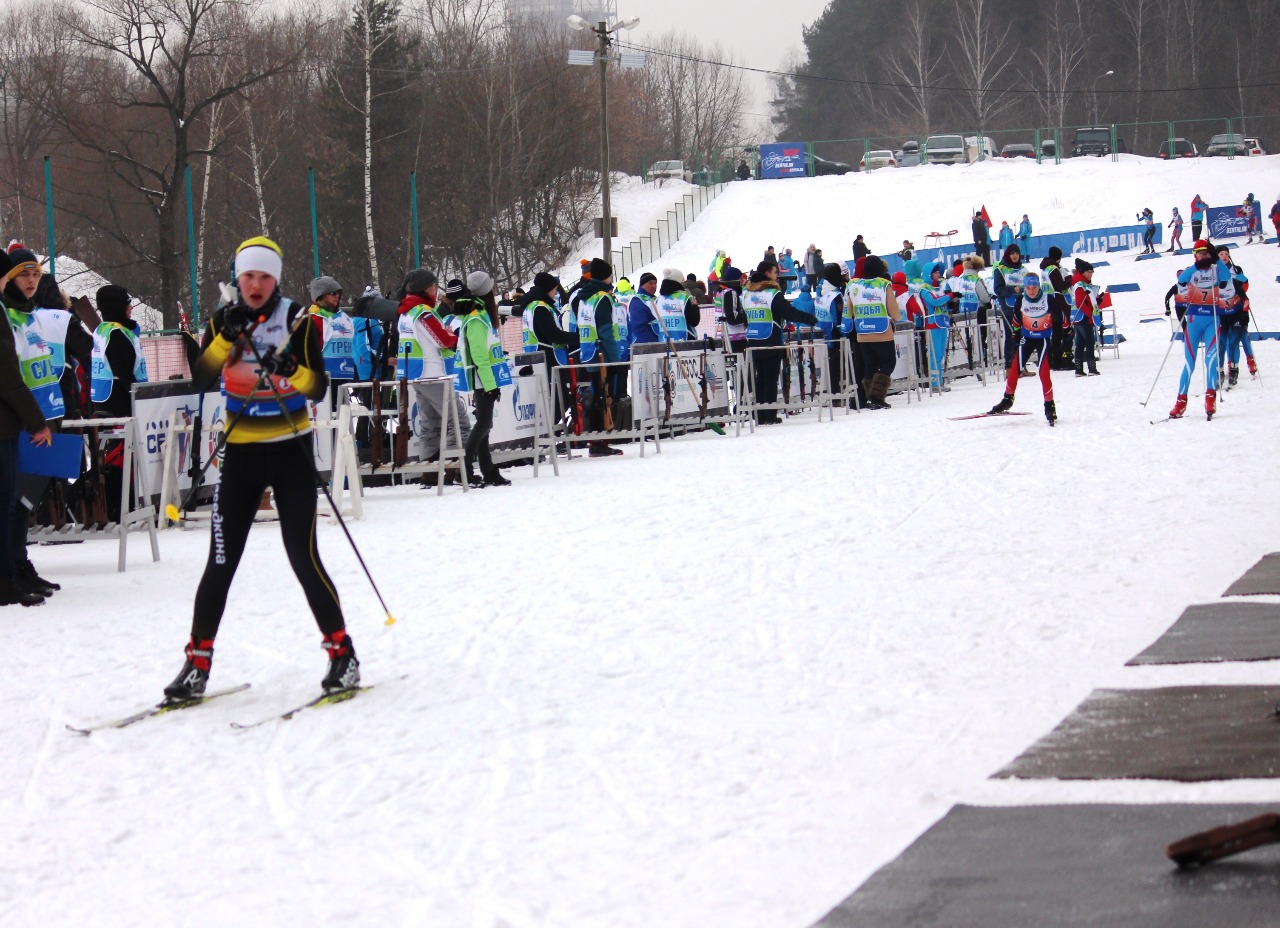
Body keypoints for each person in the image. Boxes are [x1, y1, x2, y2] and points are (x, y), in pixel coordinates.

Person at [165, 236, 356, 700]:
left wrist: (291, 368)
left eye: (264, 276)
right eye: (248, 275)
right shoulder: (222, 318)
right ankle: (197, 664)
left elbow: (316, 388)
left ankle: (342, 655)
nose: (255, 285)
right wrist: (226, 336)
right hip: (242, 458)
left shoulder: (299, 319)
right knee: (221, 562)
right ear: (237, 277)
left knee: (302, 556)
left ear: (276, 279)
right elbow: (204, 376)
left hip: (290, 452)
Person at [0, 249, 53, 606]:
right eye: (20, 275)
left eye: (36, 274)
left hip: (31, 415)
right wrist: (35, 420)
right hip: (15, 422)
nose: (30, 281)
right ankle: (9, 577)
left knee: (20, 501)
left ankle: (16, 568)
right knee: (10, 503)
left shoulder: (36, 316)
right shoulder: (8, 315)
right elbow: (9, 378)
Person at [397, 268, 473, 469]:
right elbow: (441, 339)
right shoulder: (422, 311)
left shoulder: (405, 312)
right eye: (433, 286)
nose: (435, 290)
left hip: (416, 374)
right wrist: (455, 337)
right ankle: (456, 469)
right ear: (426, 288)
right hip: (432, 374)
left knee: (430, 424)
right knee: (458, 422)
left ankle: (430, 471)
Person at [455, 271, 515, 482]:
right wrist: (491, 384)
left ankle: (487, 470)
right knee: (483, 424)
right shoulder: (478, 317)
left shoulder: (476, 314)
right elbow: (479, 354)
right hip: (483, 378)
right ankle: (465, 470)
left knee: (483, 424)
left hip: (484, 377)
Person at [742, 260, 817, 423]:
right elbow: (789, 312)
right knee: (770, 379)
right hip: (771, 340)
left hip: (754, 339)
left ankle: (760, 413)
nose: (778, 276)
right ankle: (769, 414)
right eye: (776, 272)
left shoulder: (747, 294)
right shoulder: (771, 294)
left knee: (760, 378)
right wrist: (809, 318)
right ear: (768, 274)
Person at [1167, 240, 1233, 419]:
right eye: (1200, 253)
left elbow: (1227, 277)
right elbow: (1181, 279)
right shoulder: (1192, 270)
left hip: (1212, 320)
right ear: (1195, 254)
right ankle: (1180, 403)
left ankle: (1210, 399)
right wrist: (1197, 264)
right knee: (1190, 363)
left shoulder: (1217, 269)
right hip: (1194, 321)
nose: (1203, 256)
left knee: (1211, 361)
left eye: (1206, 253)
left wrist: (1216, 259)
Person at [988, 271, 1057, 424]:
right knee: (1014, 371)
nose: (1031, 291)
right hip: (1027, 338)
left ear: (1038, 286)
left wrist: (1064, 331)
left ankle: (1049, 405)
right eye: (1028, 288)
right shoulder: (1021, 299)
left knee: (1044, 373)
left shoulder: (1047, 299)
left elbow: (1059, 317)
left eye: (1034, 287)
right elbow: (1016, 318)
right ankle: (1007, 399)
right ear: (1024, 288)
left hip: (1043, 339)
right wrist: (1016, 333)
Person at [572, 258, 624, 457]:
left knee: (596, 394)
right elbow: (606, 331)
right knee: (603, 396)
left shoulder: (585, 296)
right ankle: (598, 440)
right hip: (602, 353)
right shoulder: (602, 297)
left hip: (588, 351)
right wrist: (616, 360)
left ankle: (596, 439)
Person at [520, 271, 579, 420]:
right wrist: (580, 338)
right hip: (549, 358)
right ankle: (549, 431)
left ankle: (550, 430)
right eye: (554, 289)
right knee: (560, 399)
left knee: (555, 399)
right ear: (547, 289)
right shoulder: (540, 307)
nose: (556, 292)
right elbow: (553, 335)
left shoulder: (531, 305)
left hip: (537, 356)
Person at [845, 255, 902, 409]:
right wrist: (896, 316)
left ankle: (868, 395)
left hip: (862, 332)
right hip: (882, 332)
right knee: (888, 363)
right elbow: (895, 312)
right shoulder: (883, 285)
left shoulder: (854, 286)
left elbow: (848, 309)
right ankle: (876, 395)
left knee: (869, 365)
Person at [1216, 244, 1255, 387]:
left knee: (1240, 337)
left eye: (1226, 254)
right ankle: (1224, 367)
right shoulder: (1214, 271)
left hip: (1237, 308)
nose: (1224, 256)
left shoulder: (1236, 269)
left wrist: (1241, 279)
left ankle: (1244, 364)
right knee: (1224, 340)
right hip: (1221, 311)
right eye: (1221, 254)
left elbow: (1244, 287)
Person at [991, 243, 1026, 371]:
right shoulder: (1000, 269)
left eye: (1016, 253)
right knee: (1011, 336)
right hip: (1008, 307)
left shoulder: (1023, 269)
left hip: (1022, 307)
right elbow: (998, 289)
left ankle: (1021, 366)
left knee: (1022, 336)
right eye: (1012, 253)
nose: (1015, 256)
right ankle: (1009, 367)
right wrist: (1012, 289)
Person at [1040, 247, 1073, 371]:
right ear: (1059, 258)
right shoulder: (1053, 269)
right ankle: (1064, 360)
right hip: (1057, 302)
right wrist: (1070, 279)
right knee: (1063, 332)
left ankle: (1054, 361)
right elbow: (1060, 286)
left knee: (1055, 334)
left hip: (1048, 302)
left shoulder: (1044, 269)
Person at [1070, 259, 1101, 377]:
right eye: (1088, 272)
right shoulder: (1080, 285)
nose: (1090, 274)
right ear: (1082, 272)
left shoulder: (1083, 284)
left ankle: (1079, 370)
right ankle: (1091, 368)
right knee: (1089, 341)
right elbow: (1080, 303)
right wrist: (1091, 314)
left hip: (1078, 317)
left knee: (1080, 343)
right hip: (1082, 317)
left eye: (1092, 272)